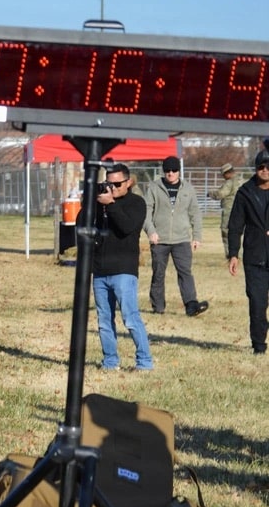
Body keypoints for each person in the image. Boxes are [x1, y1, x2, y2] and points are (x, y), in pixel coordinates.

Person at [91, 163, 154, 371]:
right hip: (100, 270)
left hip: (124, 271)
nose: (113, 188)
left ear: (128, 182)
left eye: (117, 184)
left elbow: (127, 227)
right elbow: (84, 223)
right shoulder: (101, 203)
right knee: (104, 320)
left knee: (130, 317)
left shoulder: (137, 203)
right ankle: (110, 361)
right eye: (109, 184)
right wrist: (91, 200)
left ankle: (144, 362)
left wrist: (110, 205)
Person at [143, 155, 209, 316]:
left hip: (182, 239)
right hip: (160, 239)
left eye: (173, 170)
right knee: (158, 273)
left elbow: (195, 213)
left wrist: (197, 236)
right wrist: (151, 231)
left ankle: (191, 305)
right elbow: (146, 211)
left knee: (185, 272)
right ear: (163, 172)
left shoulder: (188, 188)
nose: (170, 173)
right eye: (167, 171)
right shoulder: (154, 188)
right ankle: (158, 306)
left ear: (178, 171)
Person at [227, 151, 269, 354]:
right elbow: (235, 225)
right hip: (255, 258)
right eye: (261, 167)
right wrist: (233, 254)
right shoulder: (245, 192)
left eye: (268, 167)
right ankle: (259, 345)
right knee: (258, 303)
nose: (265, 170)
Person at [209, 162, 243, 257]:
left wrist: (211, 193)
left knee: (226, 232)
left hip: (229, 210)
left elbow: (221, 194)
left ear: (227, 173)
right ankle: (240, 254)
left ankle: (230, 255)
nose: (223, 177)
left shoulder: (229, 182)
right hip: (241, 211)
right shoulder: (241, 180)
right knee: (239, 233)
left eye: (223, 175)